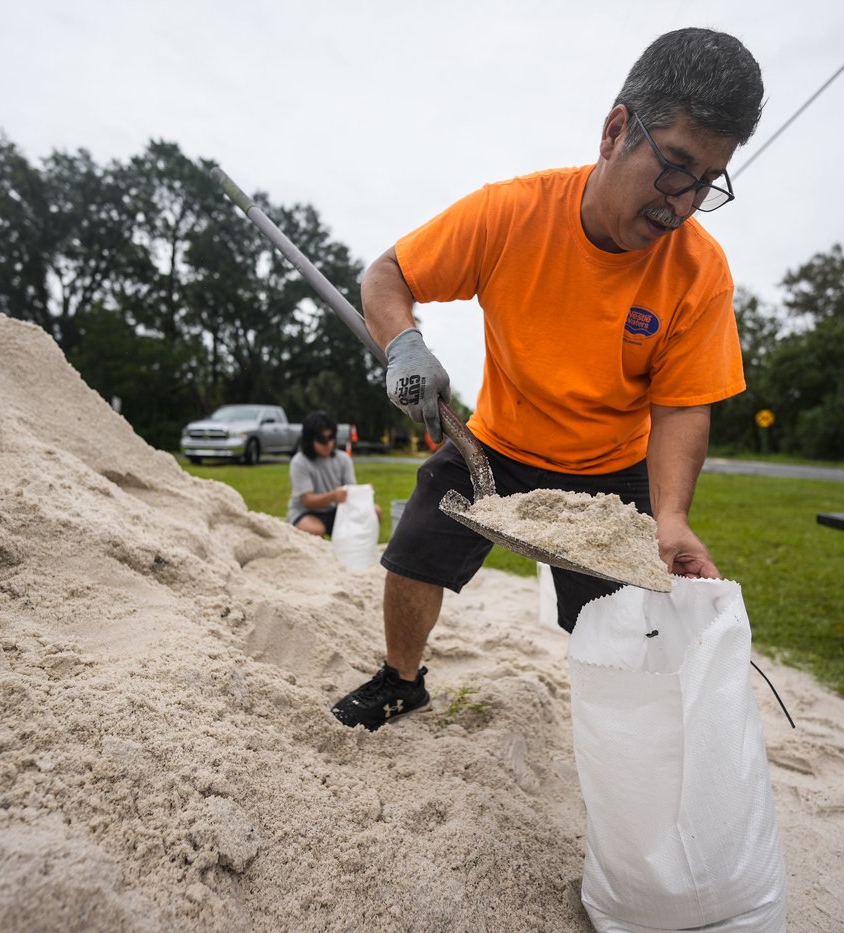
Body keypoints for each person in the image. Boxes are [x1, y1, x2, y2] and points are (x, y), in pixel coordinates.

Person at [331, 28, 764, 730]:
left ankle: (620, 729)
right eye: (674, 166)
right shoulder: (512, 214)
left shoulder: (698, 269)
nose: (680, 204)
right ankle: (401, 680)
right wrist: (405, 345)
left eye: (705, 183)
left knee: (625, 621)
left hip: (610, 472)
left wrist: (672, 515)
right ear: (615, 130)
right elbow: (387, 275)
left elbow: (682, 408)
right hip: (493, 448)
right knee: (415, 548)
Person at [286, 410, 374, 537]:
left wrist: (363, 491)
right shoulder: (299, 462)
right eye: (322, 439)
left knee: (374, 512)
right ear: (310, 440)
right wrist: (333, 496)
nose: (328, 443)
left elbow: (351, 490)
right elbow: (307, 501)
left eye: (331, 437)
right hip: (305, 512)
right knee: (315, 530)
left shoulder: (343, 459)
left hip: (337, 510)